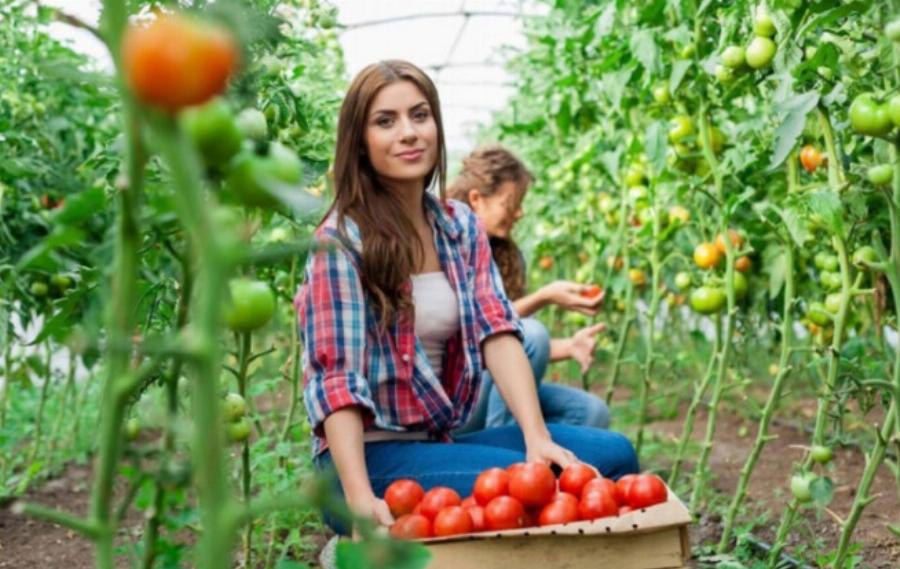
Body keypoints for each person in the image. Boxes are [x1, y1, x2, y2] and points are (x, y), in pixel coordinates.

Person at [294, 60, 639, 540]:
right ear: (360, 141)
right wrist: (357, 499)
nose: (409, 133)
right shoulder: (341, 242)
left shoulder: (458, 225)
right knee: (539, 485)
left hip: (436, 442)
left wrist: (538, 437)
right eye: (385, 121)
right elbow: (337, 382)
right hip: (365, 463)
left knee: (614, 453)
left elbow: (496, 329)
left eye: (420, 115)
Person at [448, 146, 611, 434]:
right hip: (454, 395)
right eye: (510, 203)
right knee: (533, 331)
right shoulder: (446, 245)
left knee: (589, 412)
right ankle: (504, 455)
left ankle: (548, 476)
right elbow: (471, 331)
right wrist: (543, 297)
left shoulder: (506, 256)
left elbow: (508, 346)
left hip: (487, 385)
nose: (519, 213)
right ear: (476, 200)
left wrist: (569, 347)